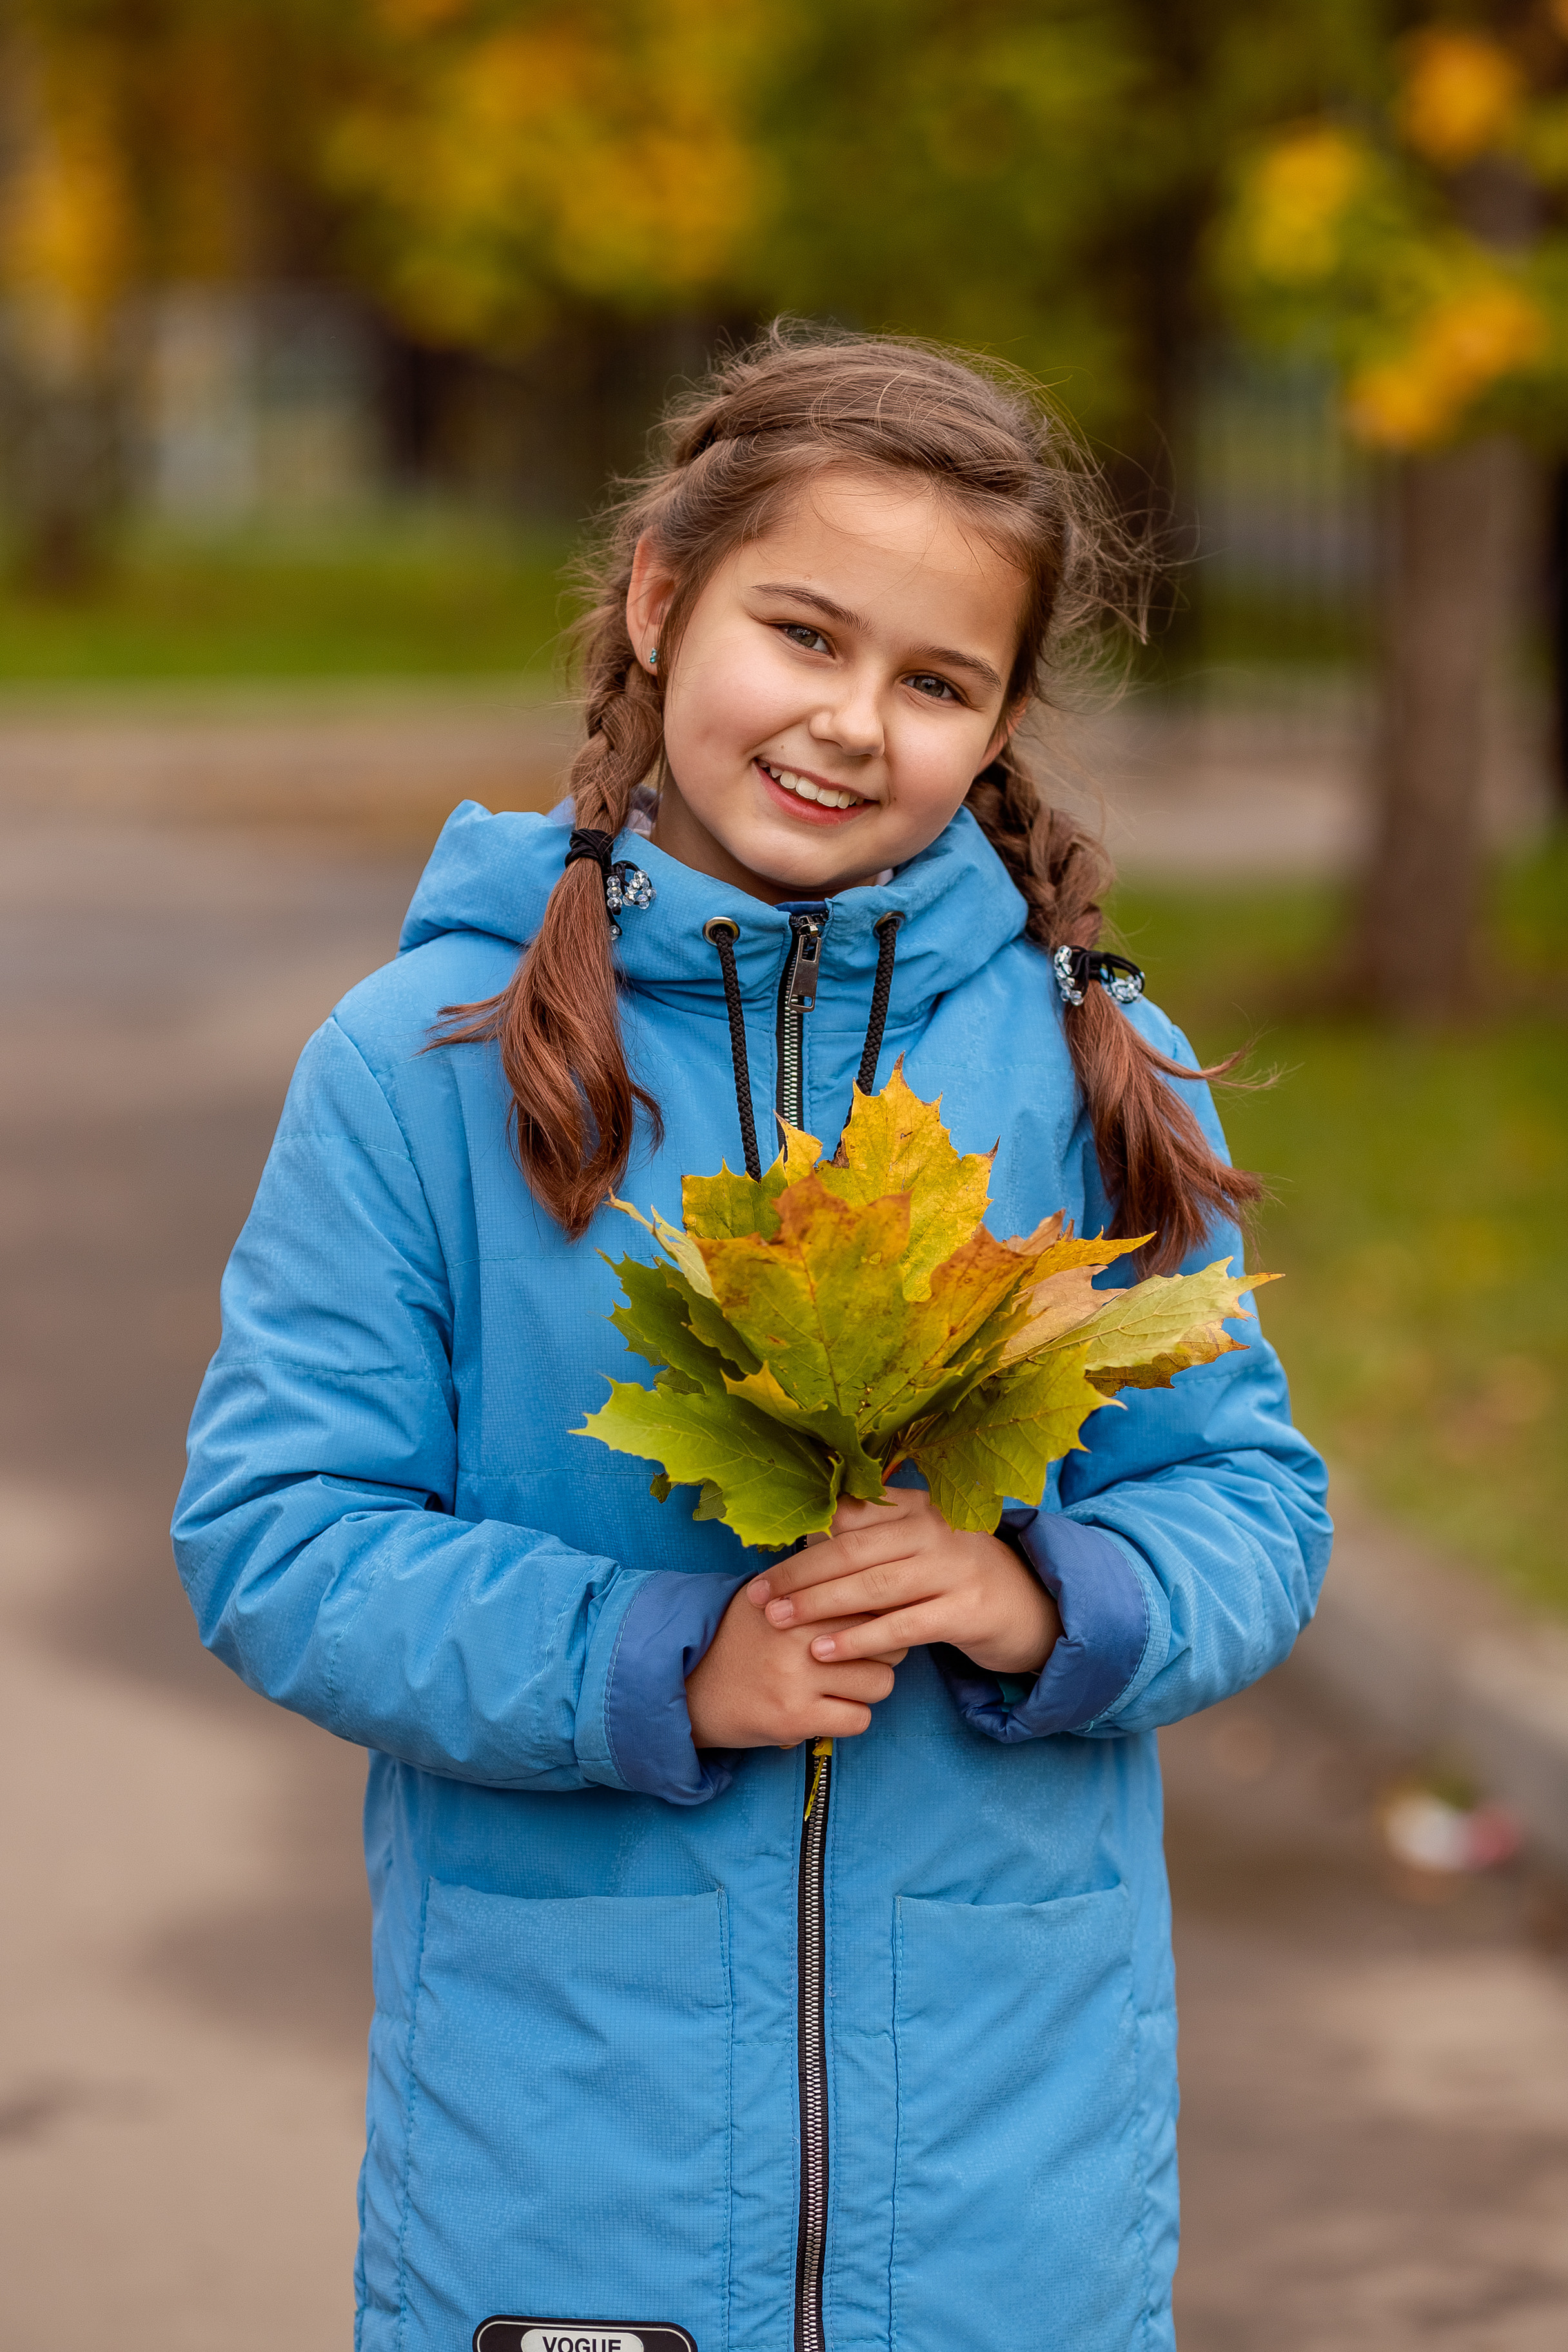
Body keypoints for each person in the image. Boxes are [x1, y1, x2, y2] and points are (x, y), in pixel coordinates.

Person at [173, 325, 1331, 2352]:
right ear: (659, 599)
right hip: (565, 2156)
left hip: (1007, 2187)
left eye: (937, 681)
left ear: (1002, 723)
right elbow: (280, 1535)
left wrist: (1046, 1600)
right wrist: (657, 1663)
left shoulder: (1089, 1061)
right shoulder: (422, 1064)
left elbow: (1252, 1497)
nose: (851, 722)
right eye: (803, 633)